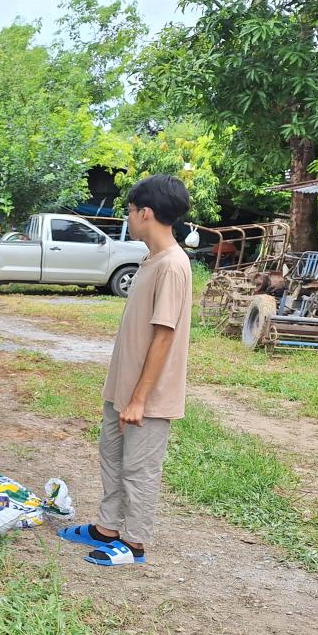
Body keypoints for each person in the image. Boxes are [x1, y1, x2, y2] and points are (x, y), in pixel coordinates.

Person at [59, 175, 193, 567]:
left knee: (139, 470)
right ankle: (108, 528)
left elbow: (164, 335)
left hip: (147, 397)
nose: (129, 219)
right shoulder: (151, 260)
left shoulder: (172, 265)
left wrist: (138, 398)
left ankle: (134, 544)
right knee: (113, 459)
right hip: (124, 388)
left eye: (131, 212)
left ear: (145, 213)